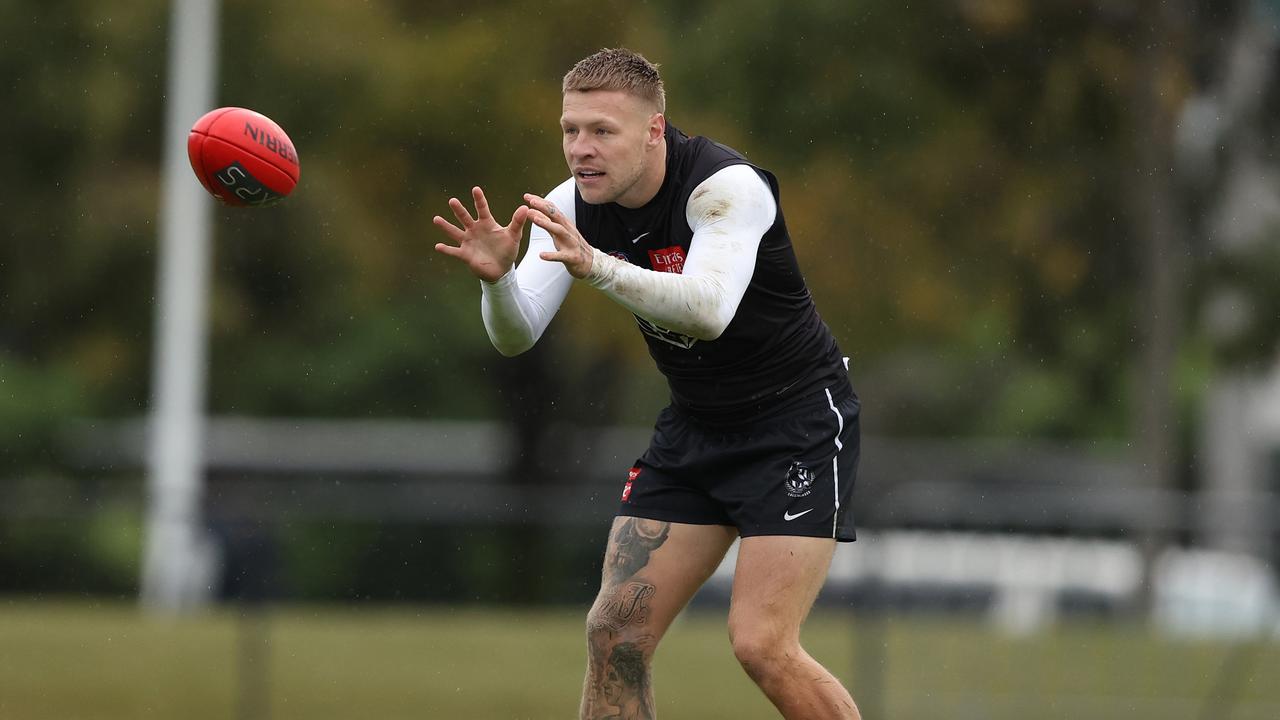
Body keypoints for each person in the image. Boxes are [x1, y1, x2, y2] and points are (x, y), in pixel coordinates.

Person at [433, 47, 862, 720]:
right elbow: (515, 335)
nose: (581, 149)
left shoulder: (725, 188)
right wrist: (496, 284)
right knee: (614, 635)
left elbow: (709, 310)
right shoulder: (568, 205)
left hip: (796, 427)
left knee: (761, 645)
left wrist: (599, 267)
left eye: (602, 131)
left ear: (654, 131)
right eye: (571, 130)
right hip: (695, 428)